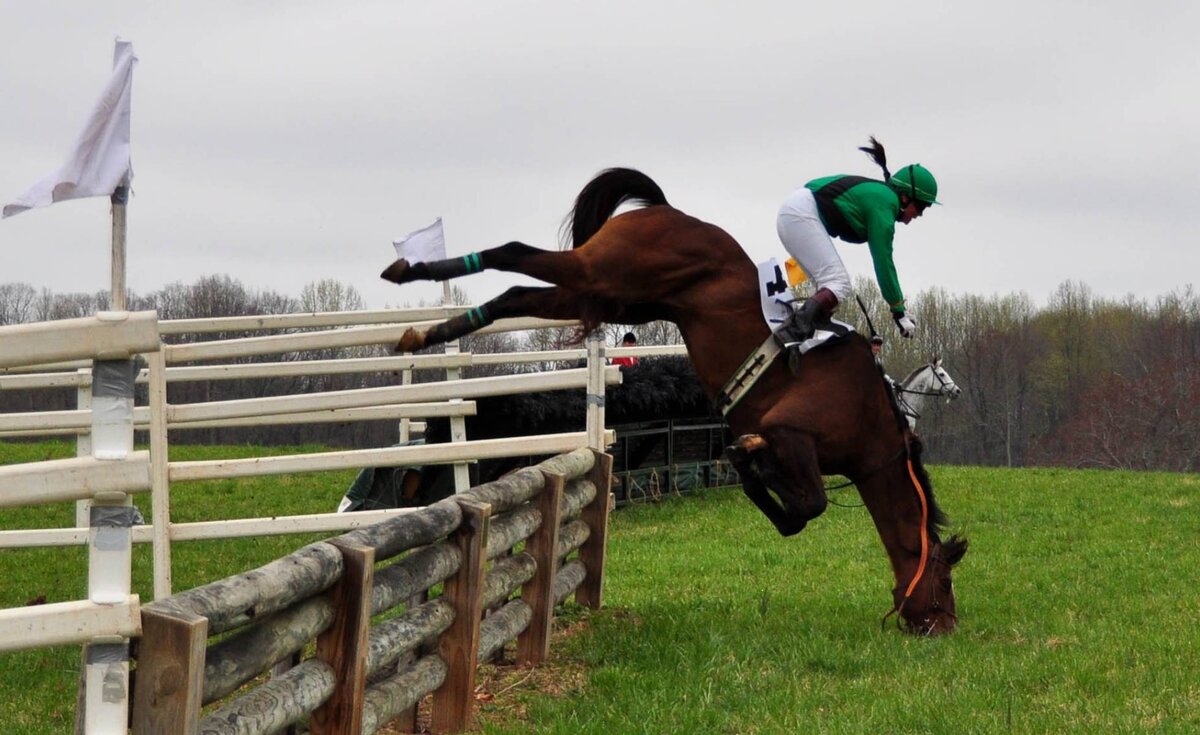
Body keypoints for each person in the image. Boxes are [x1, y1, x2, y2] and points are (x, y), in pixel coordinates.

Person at [776, 137, 938, 343]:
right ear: (906, 197)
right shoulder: (885, 204)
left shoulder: (882, 197)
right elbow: (884, 262)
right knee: (839, 283)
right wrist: (898, 311)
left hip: (796, 213)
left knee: (829, 288)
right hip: (801, 214)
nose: (919, 215)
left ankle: (810, 330)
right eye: (922, 207)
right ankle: (791, 334)